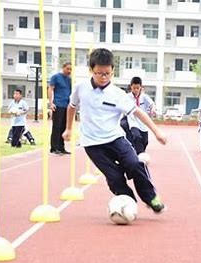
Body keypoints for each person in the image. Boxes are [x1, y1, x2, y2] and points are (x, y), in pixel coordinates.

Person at [62, 48, 167, 213]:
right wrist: (68, 129)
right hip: (92, 144)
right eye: (99, 73)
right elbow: (72, 106)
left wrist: (156, 132)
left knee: (134, 164)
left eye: (107, 73)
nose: (103, 77)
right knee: (115, 177)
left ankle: (151, 198)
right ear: (91, 70)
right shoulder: (80, 88)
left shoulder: (118, 94)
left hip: (116, 139)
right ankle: (128, 203)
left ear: (112, 71)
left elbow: (138, 112)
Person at [126, 76, 156, 154]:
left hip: (143, 123)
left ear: (140, 87)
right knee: (136, 136)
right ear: (131, 87)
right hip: (133, 121)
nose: (136, 90)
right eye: (134, 88)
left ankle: (139, 152)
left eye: (137, 88)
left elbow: (152, 104)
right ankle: (139, 155)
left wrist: (153, 109)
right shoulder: (127, 97)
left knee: (145, 141)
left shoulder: (144, 97)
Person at [48, 62, 72, 155]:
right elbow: (50, 88)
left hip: (67, 105)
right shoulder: (56, 77)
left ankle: (61, 147)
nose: (69, 71)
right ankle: (54, 148)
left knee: (63, 127)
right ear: (63, 68)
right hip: (58, 104)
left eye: (70, 69)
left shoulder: (69, 79)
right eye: (67, 69)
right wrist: (51, 102)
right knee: (56, 127)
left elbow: (70, 91)